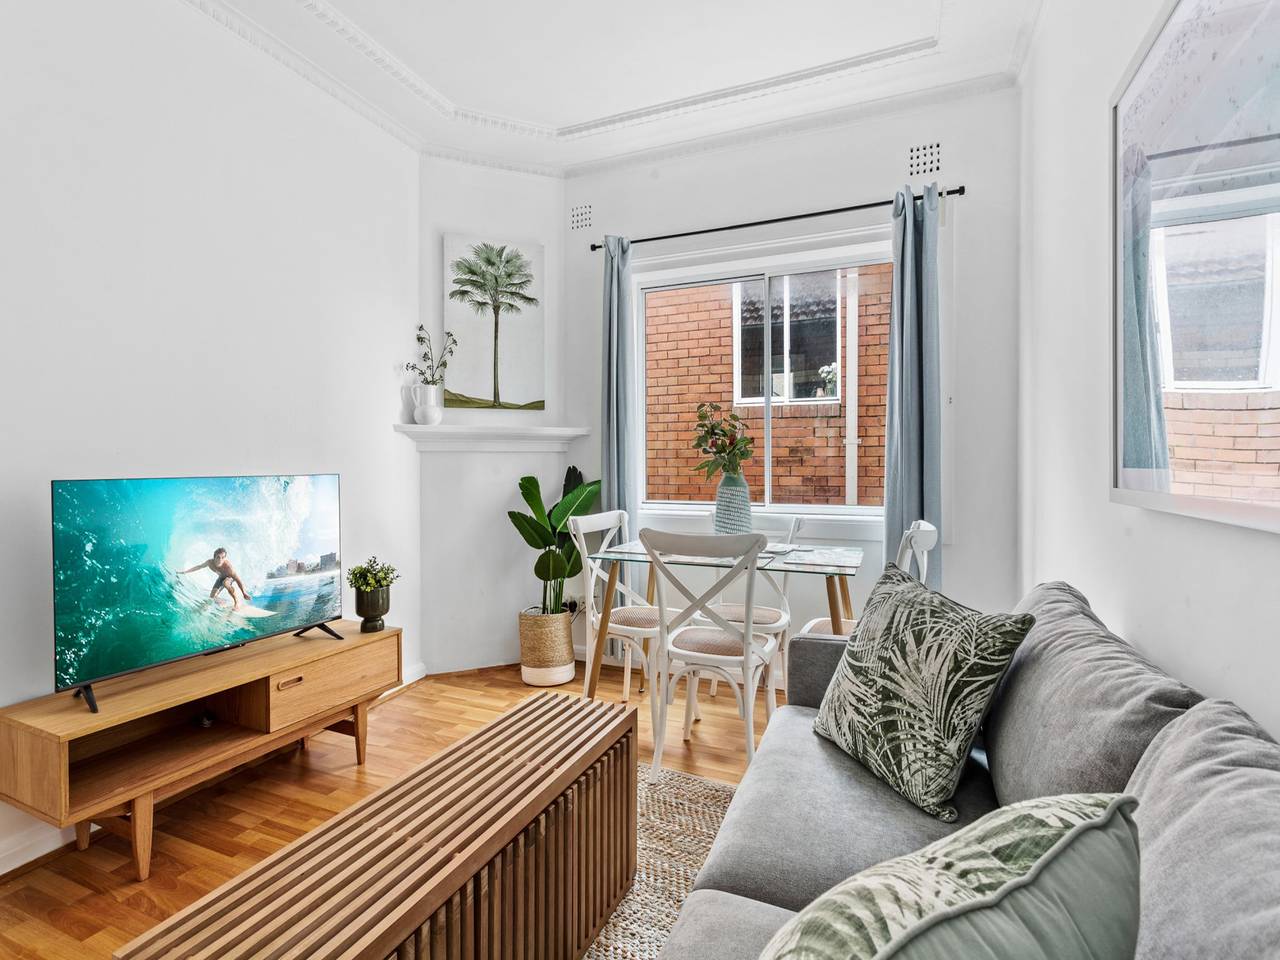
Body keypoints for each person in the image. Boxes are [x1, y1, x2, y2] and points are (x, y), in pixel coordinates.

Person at [179, 548, 252, 610]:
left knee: (225, 583)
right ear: (214, 557)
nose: (220, 560)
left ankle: (237, 602)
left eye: (223, 557)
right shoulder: (209, 563)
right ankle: (222, 601)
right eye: (218, 557)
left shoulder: (228, 568)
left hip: (229, 578)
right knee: (212, 597)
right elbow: (199, 566)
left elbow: (238, 580)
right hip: (221, 577)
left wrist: (244, 593)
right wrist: (185, 572)